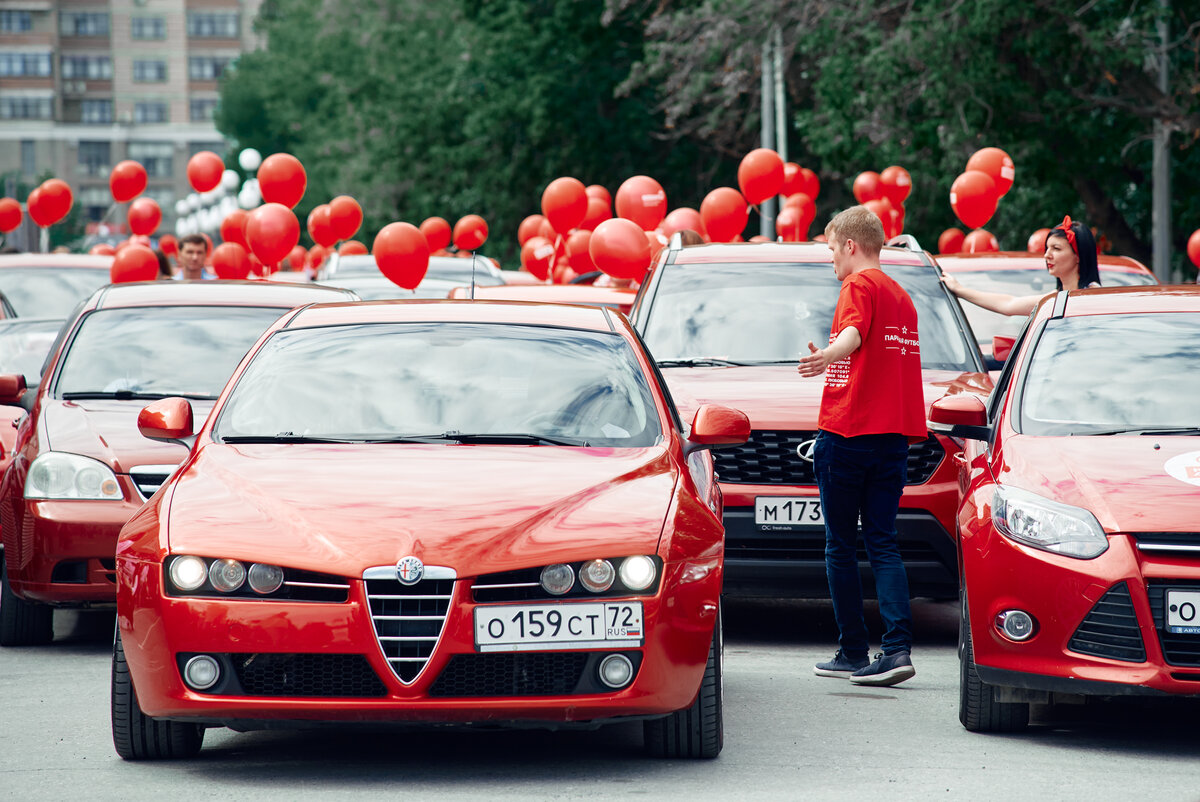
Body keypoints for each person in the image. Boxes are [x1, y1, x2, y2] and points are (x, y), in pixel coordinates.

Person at [797, 205, 925, 687]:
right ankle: (897, 650)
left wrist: (828, 354)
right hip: (893, 437)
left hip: (848, 431)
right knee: (884, 542)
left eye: (832, 248)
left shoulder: (859, 286)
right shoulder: (902, 296)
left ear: (851, 246)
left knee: (839, 546)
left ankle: (853, 651)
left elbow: (852, 333)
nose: (830, 260)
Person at [942, 215, 1099, 316]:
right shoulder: (1053, 299)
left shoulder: (1098, 298)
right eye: (1047, 248)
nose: (1046, 255)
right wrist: (959, 289)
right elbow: (1008, 304)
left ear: (1078, 256)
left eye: (1056, 249)